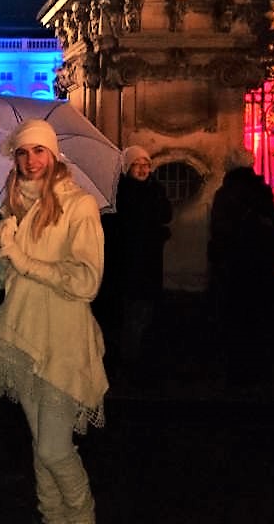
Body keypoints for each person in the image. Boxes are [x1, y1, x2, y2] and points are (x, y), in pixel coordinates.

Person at [0, 119, 107, 524]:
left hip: (64, 337)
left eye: (39, 151)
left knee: (54, 449)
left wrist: (24, 261)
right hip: (24, 333)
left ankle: (82, 516)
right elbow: (13, 281)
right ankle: (52, 517)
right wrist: (5, 260)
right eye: (22, 152)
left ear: (54, 156)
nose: (30, 160)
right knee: (41, 445)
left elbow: (86, 281)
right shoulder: (15, 207)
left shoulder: (79, 205)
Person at [207, 148, 274, 388]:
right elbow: (273, 231)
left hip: (233, 268)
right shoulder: (262, 192)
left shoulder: (226, 194)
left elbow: (219, 233)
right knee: (258, 321)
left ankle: (235, 373)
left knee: (234, 321)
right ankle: (258, 371)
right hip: (260, 267)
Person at [111, 144, 172, 376]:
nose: (143, 169)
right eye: (137, 164)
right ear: (128, 167)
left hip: (150, 259)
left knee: (147, 308)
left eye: (146, 164)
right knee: (131, 309)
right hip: (129, 261)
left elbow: (166, 214)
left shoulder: (154, 189)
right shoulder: (122, 192)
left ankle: (144, 354)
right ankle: (129, 357)